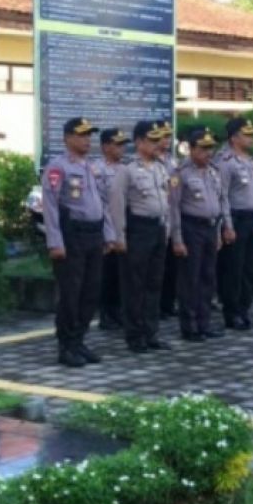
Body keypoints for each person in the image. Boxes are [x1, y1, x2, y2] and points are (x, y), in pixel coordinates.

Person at [43, 117, 116, 368]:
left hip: (94, 235)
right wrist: (55, 242)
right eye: (82, 135)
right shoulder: (58, 167)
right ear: (67, 138)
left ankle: (79, 340)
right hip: (72, 236)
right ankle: (66, 346)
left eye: (89, 135)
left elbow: (102, 203)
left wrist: (108, 234)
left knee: (90, 292)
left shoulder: (92, 167)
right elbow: (50, 207)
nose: (87, 139)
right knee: (71, 294)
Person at [110, 121, 172, 351]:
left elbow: (166, 201)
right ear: (138, 142)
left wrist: (167, 229)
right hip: (138, 230)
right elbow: (117, 204)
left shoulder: (160, 168)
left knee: (154, 284)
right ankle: (135, 336)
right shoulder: (127, 170)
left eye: (159, 140)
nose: (158, 144)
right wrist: (120, 236)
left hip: (157, 229)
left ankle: (151, 332)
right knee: (134, 285)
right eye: (152, 140)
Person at [170, 128, 227, 342]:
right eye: (203, 148)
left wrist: (220, 231)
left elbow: (220, 201)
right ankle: (190, 325)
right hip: (190, 228)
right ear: (191, 149)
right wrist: (177, 239)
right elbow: (174, 208)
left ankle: (204, 323)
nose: (208, 152)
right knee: (190, 279)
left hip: (210, 228)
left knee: (207, 278)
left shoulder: (214, 171)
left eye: (210, 148)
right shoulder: (181, 173)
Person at [215, 117, 253, 330]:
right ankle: (232, 312)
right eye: (247, 134)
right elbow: (222, 194)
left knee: (248, 268)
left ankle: (244, 309)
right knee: (233, 269)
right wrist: (228, 225)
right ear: (234, 138)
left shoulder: (250, 160)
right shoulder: (225, 161)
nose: (252, 138)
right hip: (235, 218)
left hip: (251, 218)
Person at [96, 128, 129, 330]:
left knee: (121, 274)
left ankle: (117, 311)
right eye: (117, 144)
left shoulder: (125, 169)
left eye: (123, 144)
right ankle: (106, 314)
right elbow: (101, 202)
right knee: (107, 273)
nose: (121, 148)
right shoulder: (97, 170)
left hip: (125, 226)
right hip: (107, 228)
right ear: (105, 146)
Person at [156, 123, 179, 319]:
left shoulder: (173, 162)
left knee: (172, 266)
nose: (166, 140)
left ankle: (168, 303)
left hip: (172, 218)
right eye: (163, 136)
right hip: (157, 219)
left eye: (168, 136)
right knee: (157, 267)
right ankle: (158, 306)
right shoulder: (151, 162)